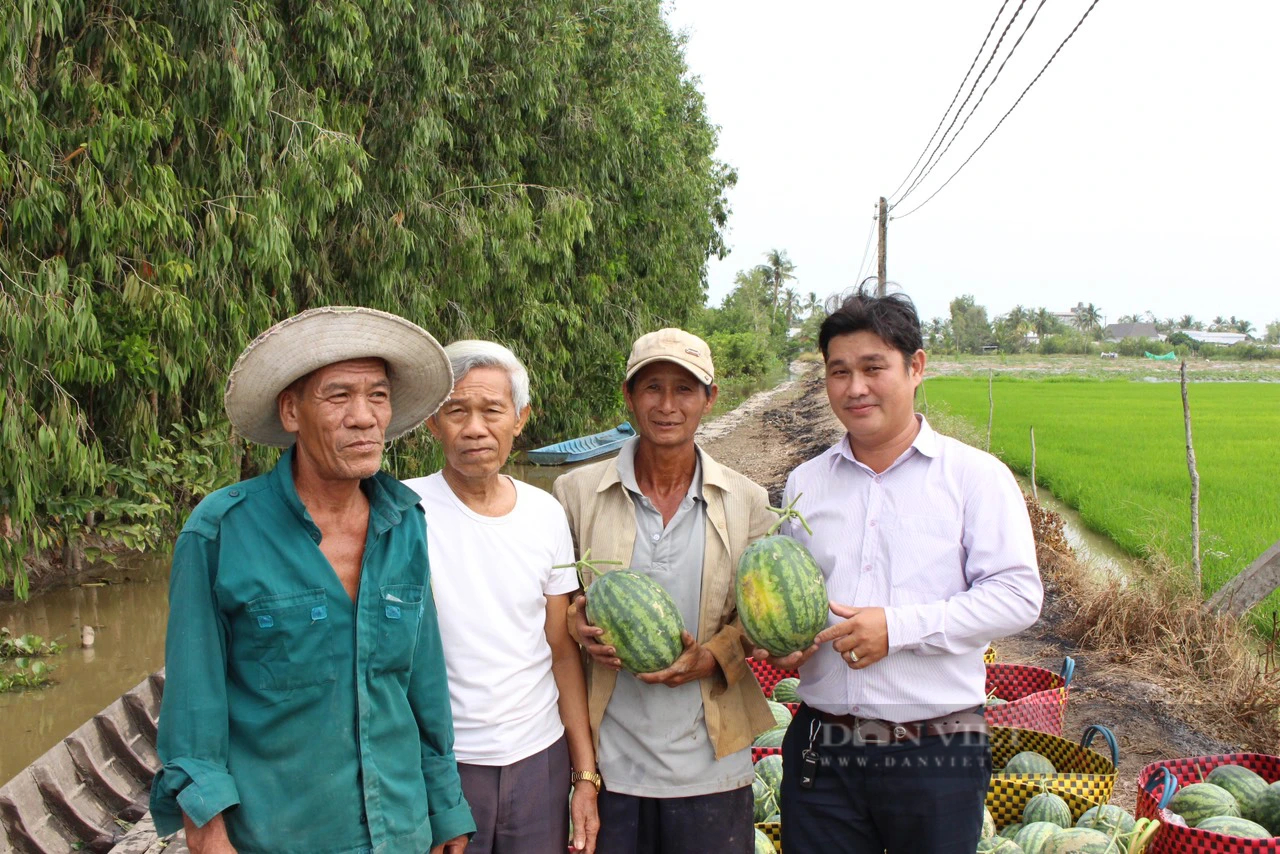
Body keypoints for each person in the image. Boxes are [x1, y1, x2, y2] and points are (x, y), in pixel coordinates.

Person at [150, 306, 475, 854]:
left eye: (377, 396)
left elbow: (421, 681)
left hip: (401, 830)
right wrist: (208, 837)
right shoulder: (222, 531)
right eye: (338, 395)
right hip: (281, 836)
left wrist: (444, 808)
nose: (364, 417)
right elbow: (193, 708)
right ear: (291, 411)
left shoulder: (405, 522)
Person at [763, 287, 1044, 854]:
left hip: (936, 750)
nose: (855, 387)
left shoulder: (975, 478)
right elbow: (791, 594)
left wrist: (897, 627)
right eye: (839, 371)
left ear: (916, 367)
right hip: (823, 748)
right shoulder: (805, 484)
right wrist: (786, 644)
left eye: (873, 368)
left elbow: (1017, 595)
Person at [552, 328, 777, 854]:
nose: (668, 405)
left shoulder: (747, 501)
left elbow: (764, 619)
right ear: (629, 397)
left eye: (685, 389)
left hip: (713, 766)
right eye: (652, 387)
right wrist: (574, 624)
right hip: (611, 764)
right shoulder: (575, 494)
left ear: (710, 399)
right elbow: (554, 602)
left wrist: (713, 654)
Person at [403, 340, 600, 854]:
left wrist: (585, 776)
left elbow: (562, 652)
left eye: (492, 410)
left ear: (520, 418)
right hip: (442, 765)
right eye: (457, 411)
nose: (475, 428)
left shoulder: (545, 513)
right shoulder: (402, 512)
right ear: (432, 422)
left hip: (540, 759)